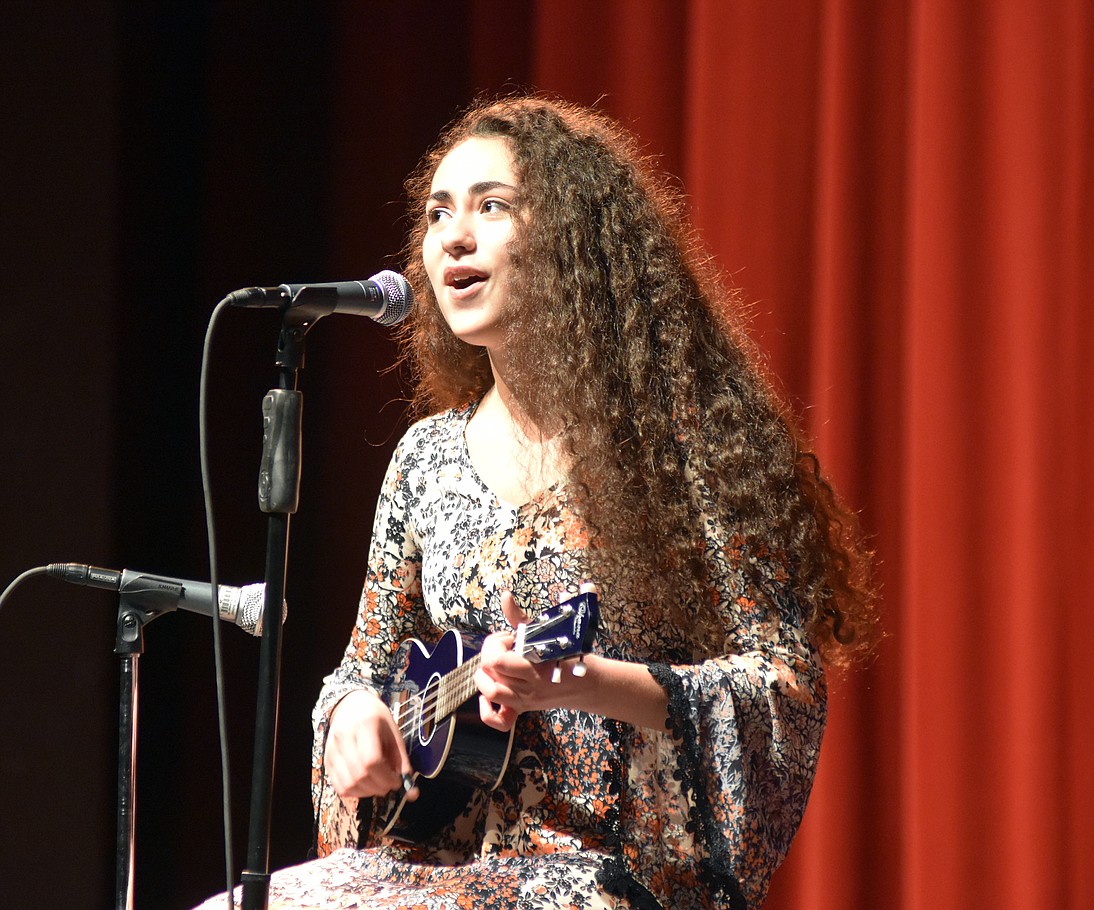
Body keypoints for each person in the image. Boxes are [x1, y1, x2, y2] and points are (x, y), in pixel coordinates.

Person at [196, 95, 878, 910]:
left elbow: (782, 690)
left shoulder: (685, 447)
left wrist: (588, 681)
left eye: (493, 206)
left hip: (612, 872)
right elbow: (367, 665)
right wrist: (350, 718)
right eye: (438, 212)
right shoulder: (427, 458)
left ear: (573, 242)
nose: (454, 234)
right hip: (442, 862)